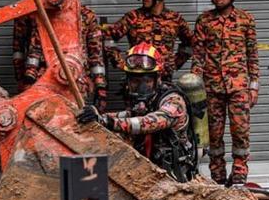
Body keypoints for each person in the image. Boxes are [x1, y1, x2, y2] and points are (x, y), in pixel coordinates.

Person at [77, 42, 198, 182]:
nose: (140, 86)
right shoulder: (146, 102)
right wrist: (97, 115)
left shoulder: (174, 102)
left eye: (146, 80)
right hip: (148, 172)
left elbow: (149, 122)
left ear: (157, 78)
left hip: (173, 177)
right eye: (135, 80)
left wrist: (108, 122)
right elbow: (127, 115)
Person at [192, 0, 259, 187]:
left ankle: (239, 178)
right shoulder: (204, 21)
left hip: (239, 88)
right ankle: (219, 180)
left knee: (240, 134)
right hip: (212, 89)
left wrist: (254, 86)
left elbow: (252, 55)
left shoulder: (245, 20)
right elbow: (198, 56)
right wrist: (195, 85)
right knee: (214, 137)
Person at [23, 0, 108, 111]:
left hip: (78, 79)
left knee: (75, 122)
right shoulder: (46, 16)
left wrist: (100, 87)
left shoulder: (87, 16)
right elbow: (35, 49)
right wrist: (29, 80)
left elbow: (95, 54)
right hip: (47, 79)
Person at [103, 0, 193, 82]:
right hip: (137, 81)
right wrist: (120, 62)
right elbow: (107, 36)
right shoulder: (133, 17)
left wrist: (175, 63)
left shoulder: (175, 19)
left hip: (164, 82)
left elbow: (191, 42)